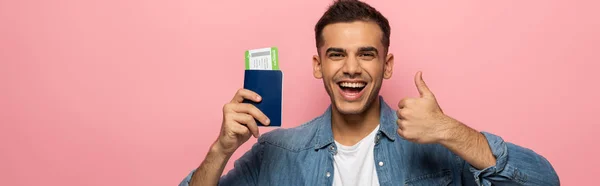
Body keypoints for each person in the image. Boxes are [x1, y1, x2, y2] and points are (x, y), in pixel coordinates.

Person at [180, 0, 559, 185]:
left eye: (366, 54)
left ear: (387, 66)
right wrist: (221, 149)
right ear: (318, 66)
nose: (351, 68)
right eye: (336, 55)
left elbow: (546, 181)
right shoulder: (276, 153)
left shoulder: (437, 146)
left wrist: (447, 130)